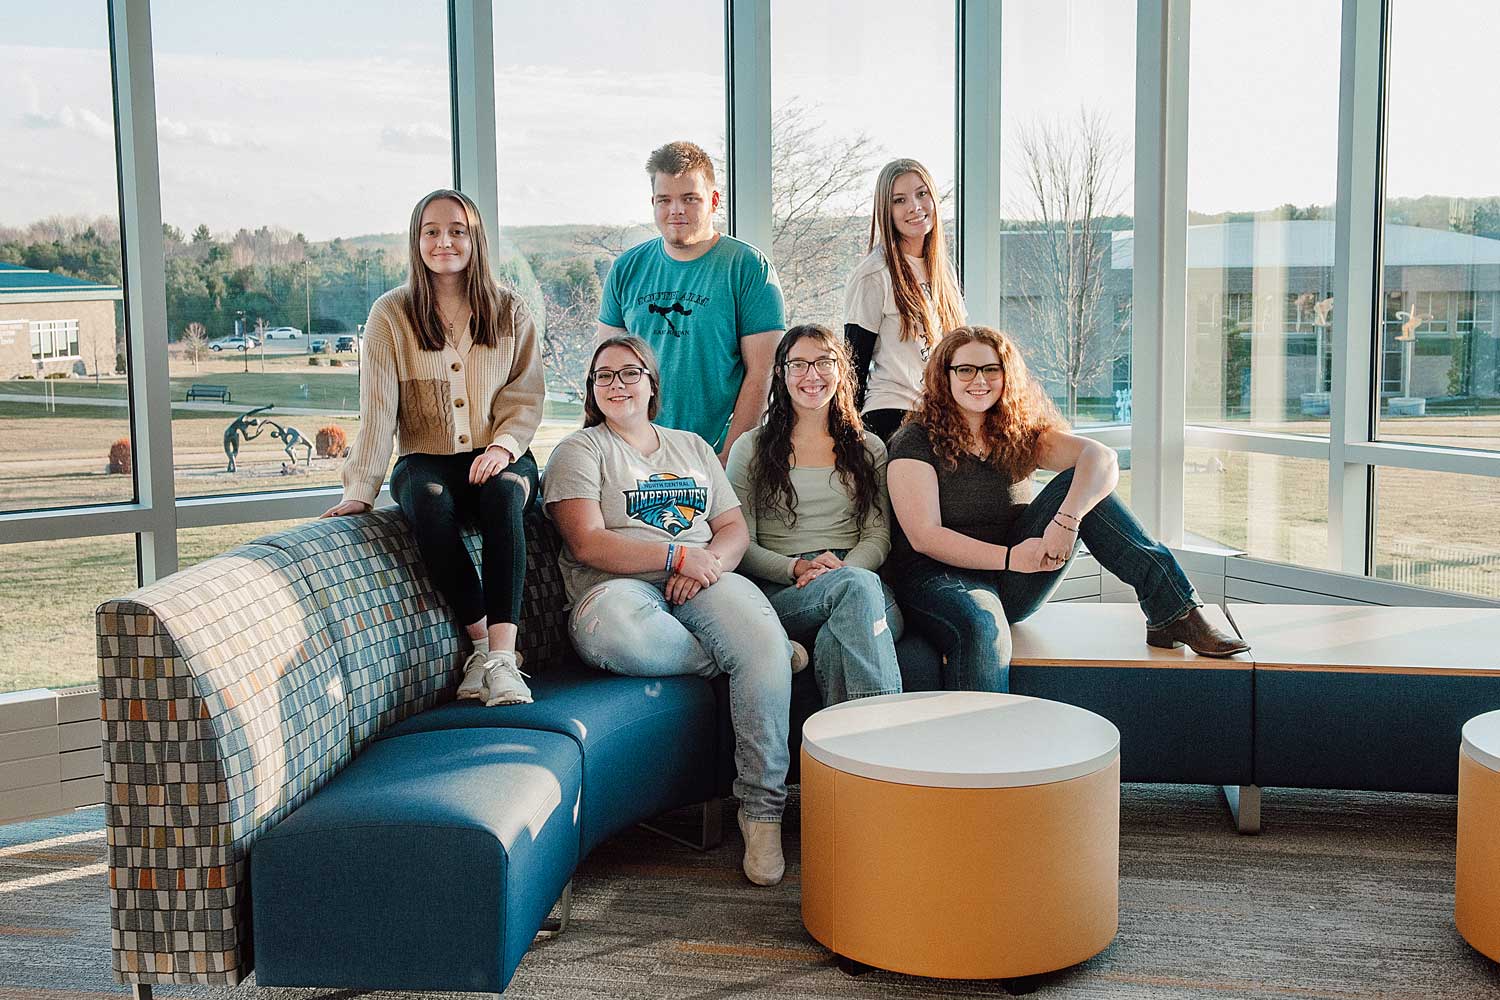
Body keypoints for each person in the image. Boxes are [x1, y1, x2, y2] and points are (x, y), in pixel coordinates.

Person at [545, 336, 804, 887]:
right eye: (603, 376)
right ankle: (762, 656)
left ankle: (761, 812)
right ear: (592, 390)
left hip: (702, 578)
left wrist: (702, 563)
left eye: (630, 373)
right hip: (615, 591)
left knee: (753, 641)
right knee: (632, 632)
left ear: (652, 384)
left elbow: (733, 530)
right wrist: (675, 553)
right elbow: (589, 543)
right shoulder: (580, 450)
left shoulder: (691, 446)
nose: (616, 384)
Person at [885, 325, 1249, 693]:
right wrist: (1012, 558)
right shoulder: (915, 439)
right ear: (944, 375)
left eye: (991, 369)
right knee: (984, 623)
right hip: (939, 580)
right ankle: (986, 738)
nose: (979, 380)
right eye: (965, 369)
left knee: (1085, 484)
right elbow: (924, 536)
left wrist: (1068, 518)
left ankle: (1174, 612)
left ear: (1005, 375)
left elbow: (1102, 458)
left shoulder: (1016, 433)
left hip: (1013, 577)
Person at [323, 188, 543, 708]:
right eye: (431, 232)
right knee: (426, 499)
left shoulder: (510, 310)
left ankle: (506, 663)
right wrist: (360, 489)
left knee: (504, 496)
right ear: (416, 240)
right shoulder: (390, 315)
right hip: (426, 460)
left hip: (503, 453)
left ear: (475, 240)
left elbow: (526, 395)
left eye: (456, 231)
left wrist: (504, 447)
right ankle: (482, 648)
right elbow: (377, 409)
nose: (444, 241)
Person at [726, 324, 903, 705]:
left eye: (824, 362)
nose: (812, 375)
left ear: (841, 370)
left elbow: (877, 535)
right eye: (799, 364)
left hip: (860, 579)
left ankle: (841, 756)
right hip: (786, 588)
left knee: (838, 628)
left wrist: (845, 570)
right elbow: (739, 542)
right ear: (781, 373)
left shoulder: (868, 448)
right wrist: (796, 569)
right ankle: (885, 735)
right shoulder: (751, 448)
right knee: (854, 595)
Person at [596, 140, 786, 461]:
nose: (676, 210)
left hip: (715, 452)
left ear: (713, 200)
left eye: (689, 199)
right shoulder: (626, 269)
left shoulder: (748, 268)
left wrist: (730, 455)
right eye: (665, 199)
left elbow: (763, 372)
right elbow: (608, 370)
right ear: (653, 202)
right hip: (635, 453)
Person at [844, 158, 967, 442]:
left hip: (941, 414)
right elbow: (854, 365)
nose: (914, 206)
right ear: (886, 211)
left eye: (922, 194)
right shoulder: (874, 274)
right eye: (899, 200)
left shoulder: (943, 270)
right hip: (892, 413)